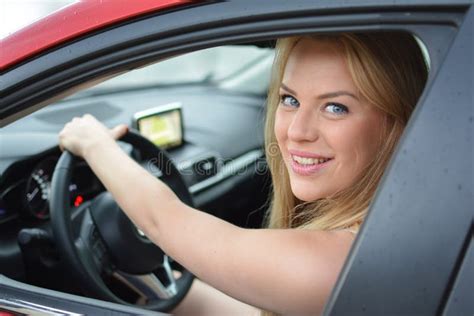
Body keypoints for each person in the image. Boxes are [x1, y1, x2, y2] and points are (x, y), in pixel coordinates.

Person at [59, 32, 428, 315]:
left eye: (335, 107)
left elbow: (163, 222)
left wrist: (93, 143)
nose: (297, 131)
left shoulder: (345, 259)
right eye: (290, 100)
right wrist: (157, 289)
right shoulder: (393, 227)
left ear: (396, 123)